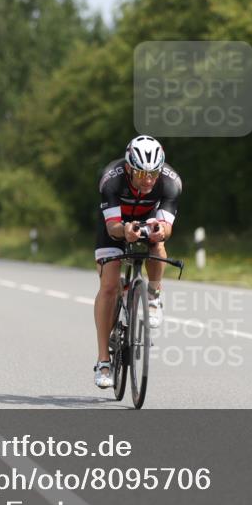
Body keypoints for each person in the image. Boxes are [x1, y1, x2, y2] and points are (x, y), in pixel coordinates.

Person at [93, 135, 181, 388]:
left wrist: (160, 231)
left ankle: (153, 295)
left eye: (153, 173)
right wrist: (126, 231)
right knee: (109, 287)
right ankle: (103, 361)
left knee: (158, 244)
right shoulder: (112, 178)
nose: (149, 179)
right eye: (142, 174)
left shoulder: (171, 183)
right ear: (130, 168)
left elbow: (166, 226)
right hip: (117, 224)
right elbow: (112, 227)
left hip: (149, 221)